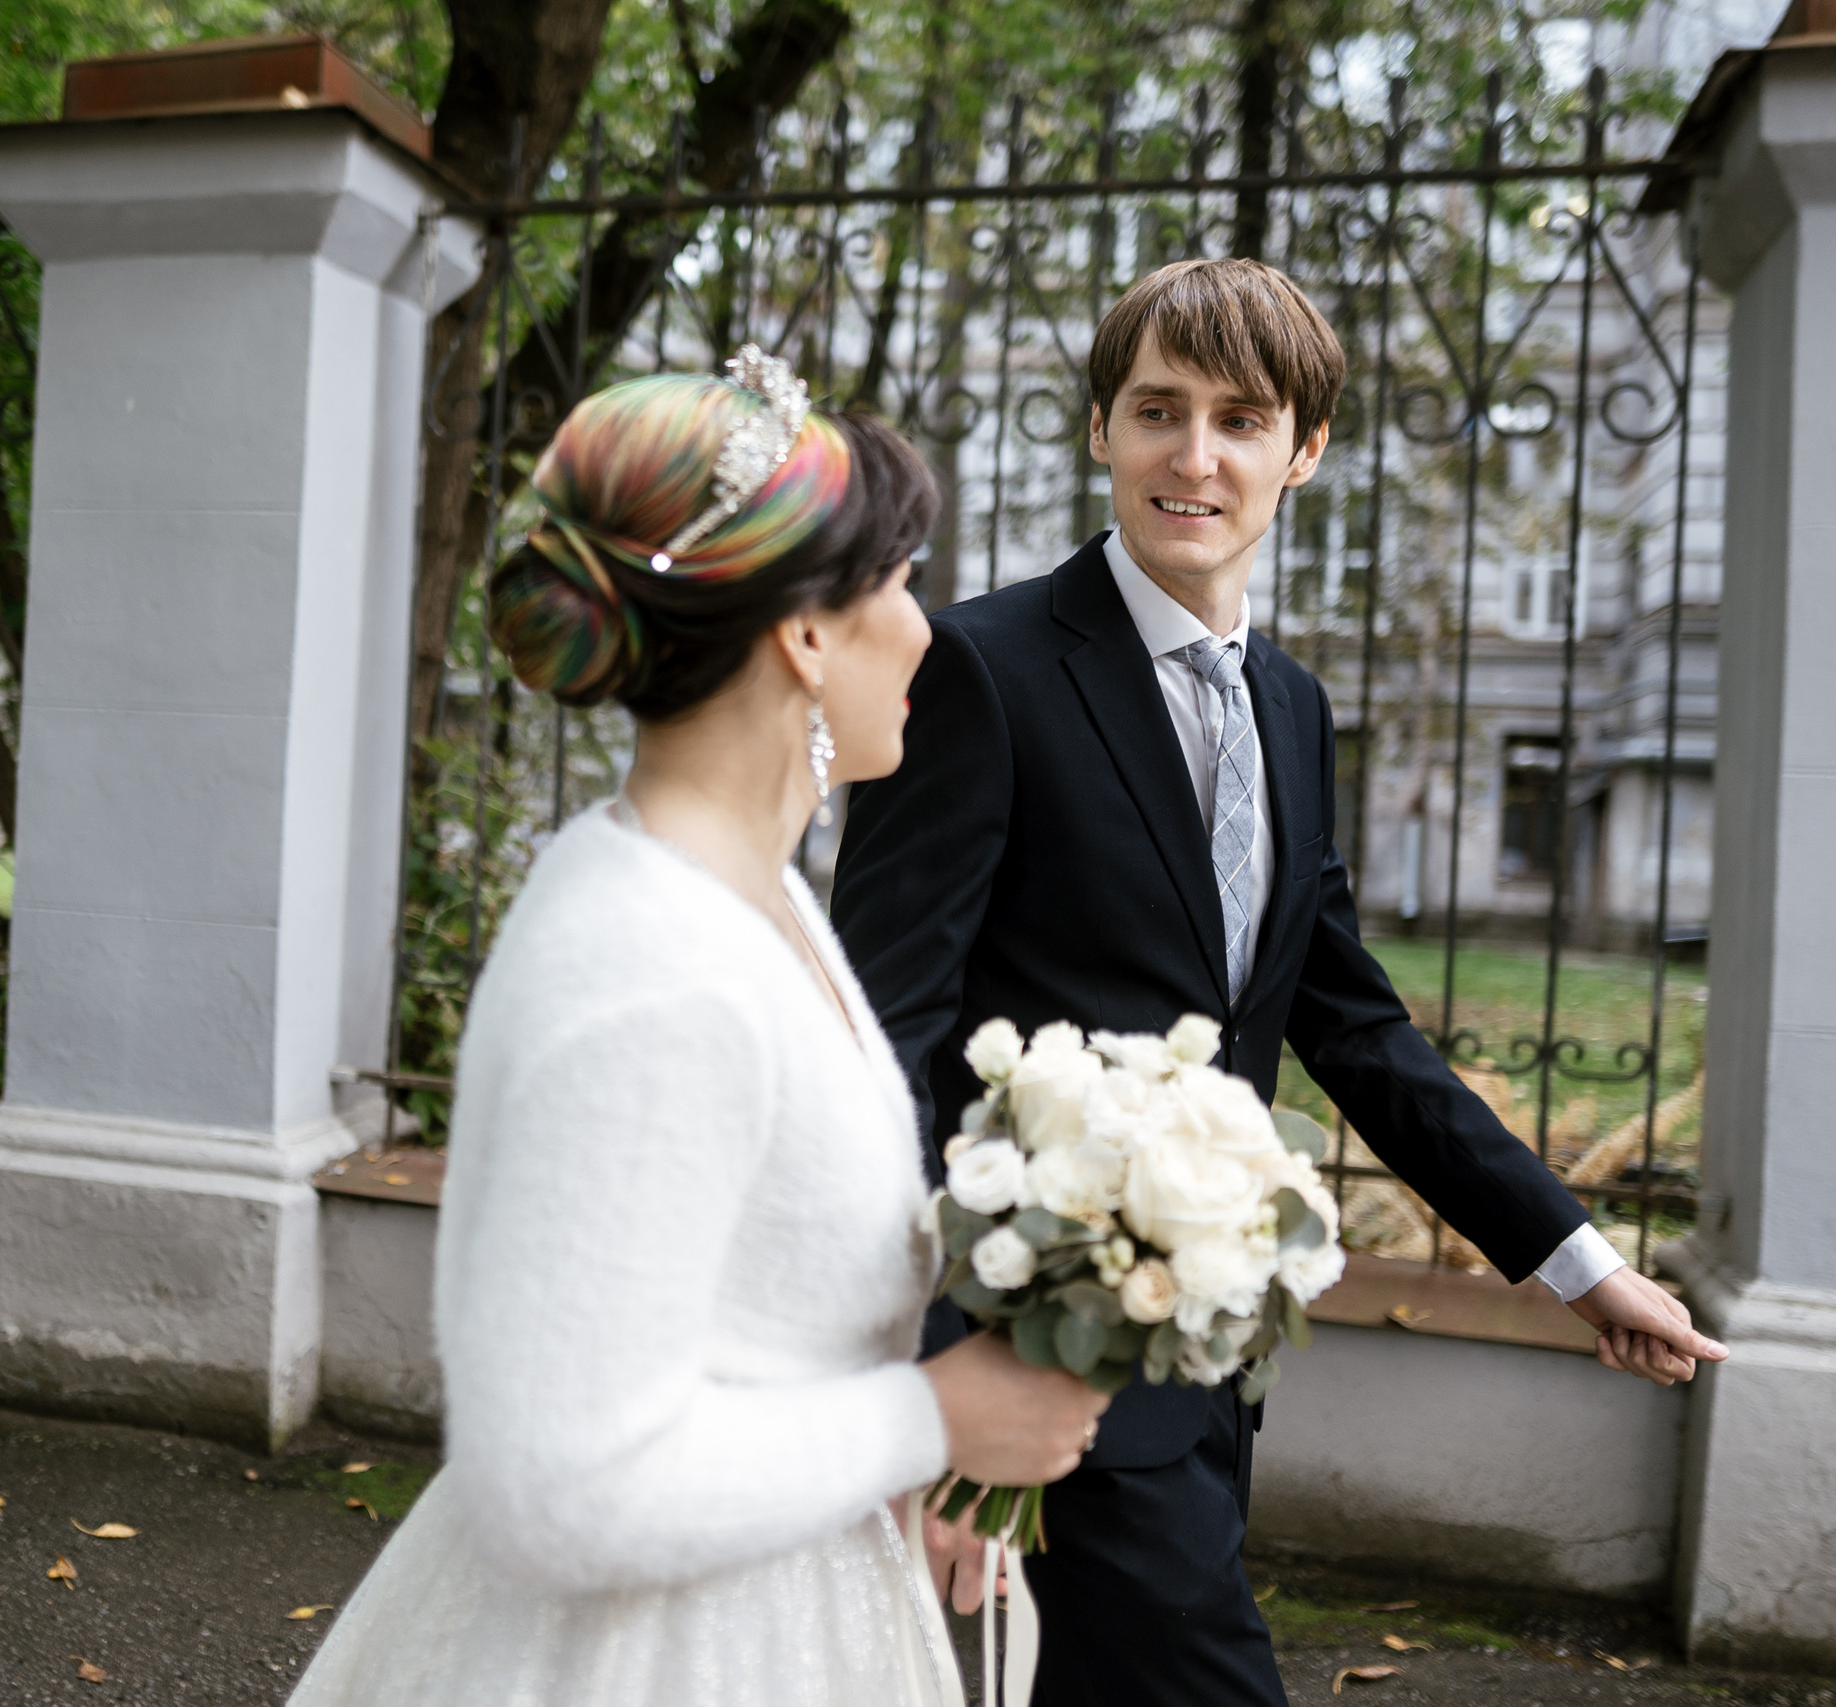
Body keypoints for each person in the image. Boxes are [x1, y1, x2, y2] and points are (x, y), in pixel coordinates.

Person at [831, 259, 1730, 1707]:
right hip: (1026, 1360)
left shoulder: (1295, 708)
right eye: (1157, 411)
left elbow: (1352, 1025)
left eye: (1240, 420)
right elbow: (884, 1043)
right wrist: (939, 1398)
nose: (1194, 457)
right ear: (1102, 430)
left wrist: (1577, 1262)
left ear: (1302, 449)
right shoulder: (982, 669)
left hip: (1209, 1366)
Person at [286, 353, 1108, 1707]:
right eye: (901, 581)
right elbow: (556, 1488)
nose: (926, 629)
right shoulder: (650, 963)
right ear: (806, 635)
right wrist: (931, 1418)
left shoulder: (753, 895)